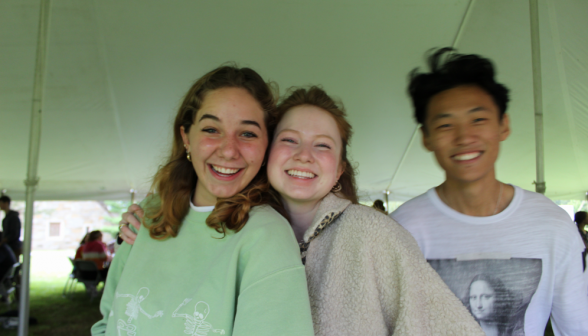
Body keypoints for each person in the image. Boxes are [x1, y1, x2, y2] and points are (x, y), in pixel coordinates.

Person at [122, 86, 483, 335]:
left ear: (340, 168)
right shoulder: (233, 225)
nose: (303, 155)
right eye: (289, 139)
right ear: (266, 153)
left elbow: (446, 325)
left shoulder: (374, 235)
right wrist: (151, 231)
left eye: (322, 146)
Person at [92, 66, 314, 336]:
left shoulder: (266, 236)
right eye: (211, 129)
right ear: (186, 137)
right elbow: (107, 323)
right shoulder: (147, 216)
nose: (228, 150)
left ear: (266, 145)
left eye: (247, 134)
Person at [391, 48, 588, 335]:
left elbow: (577, 328)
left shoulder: (552, 226)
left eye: (478, 119)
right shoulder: (401, 230)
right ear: (427, 138)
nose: (464, 137)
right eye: (445, 125)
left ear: (503, 125)